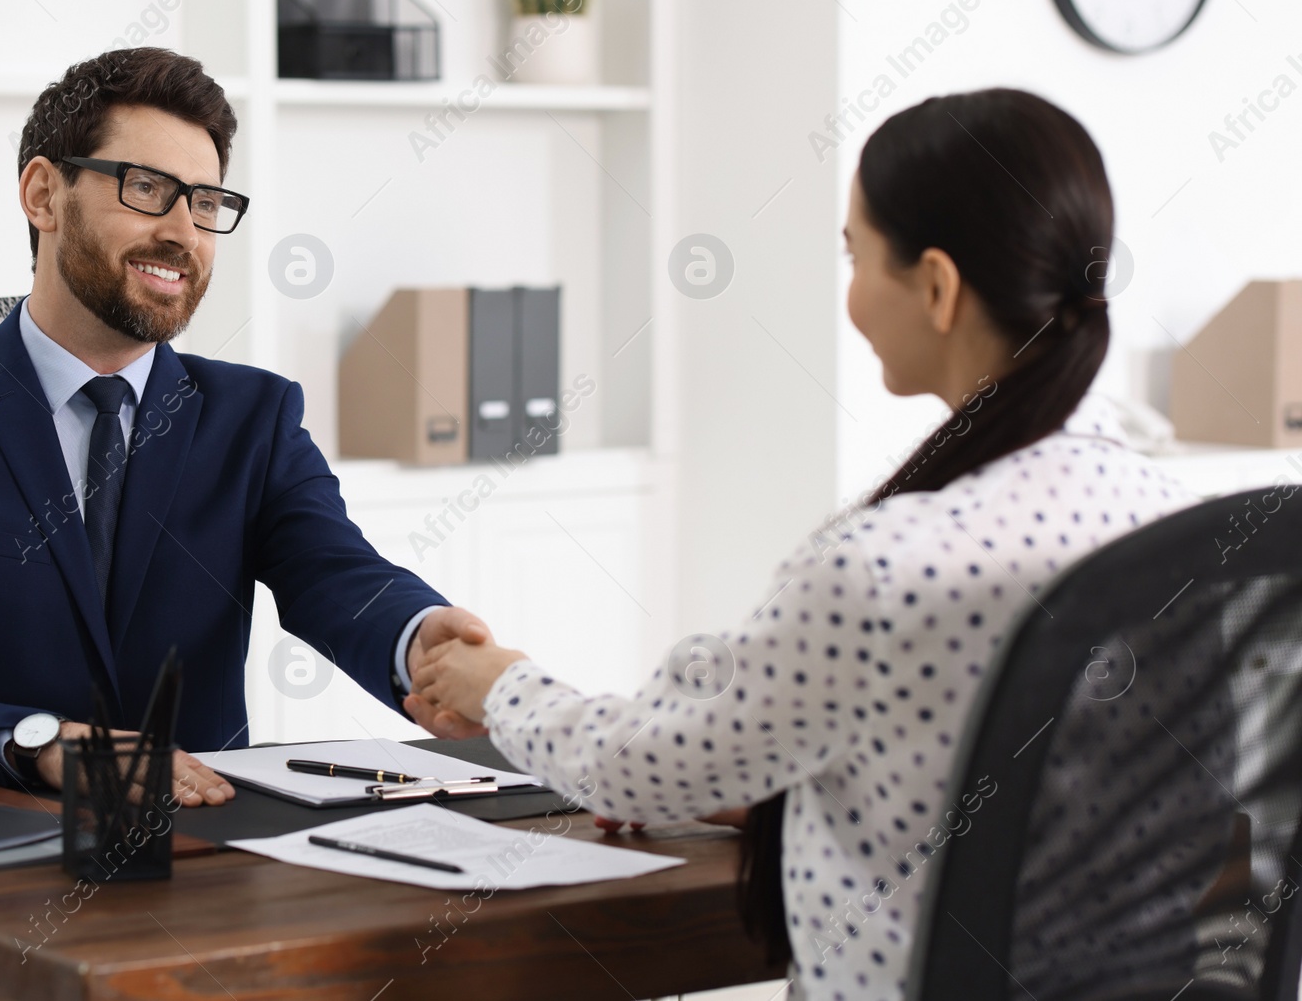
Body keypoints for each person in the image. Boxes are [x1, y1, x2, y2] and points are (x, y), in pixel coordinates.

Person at [407, 88, 1199, 999]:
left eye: (855, 254)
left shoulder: (887, 566)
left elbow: (639, 769)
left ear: (936, 286)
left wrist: (502, 683)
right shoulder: (1175, 519)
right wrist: (789, 780)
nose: (851, 289)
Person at [0, 46, 489, 806]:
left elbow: (339, 576)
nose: (184, 232)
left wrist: (421, 642)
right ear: (44, 195)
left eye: (207, 203)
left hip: (201, 859)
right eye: (148, 188)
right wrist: (38, 742)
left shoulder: (254, 419)